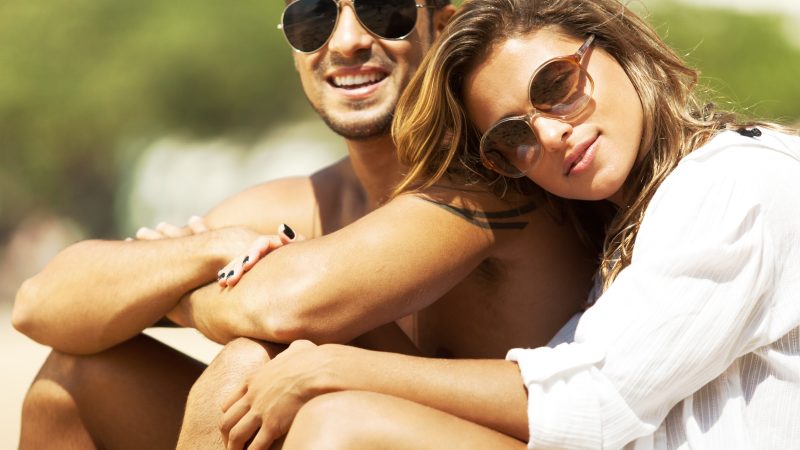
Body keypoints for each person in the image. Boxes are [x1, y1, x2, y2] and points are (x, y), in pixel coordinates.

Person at [209, 0, 800, 448]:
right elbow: (564, 377)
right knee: (257, 356)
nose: (548, 133)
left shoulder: (736, 182)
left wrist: (333, 368)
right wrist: (320, 335)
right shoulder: (636, 220)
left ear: (619, 46)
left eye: (557, 85)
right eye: (510, 136)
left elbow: (595, 401)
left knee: (339, 421)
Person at [12, 1, 601, 449]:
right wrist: (218, 250)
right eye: (313, 17)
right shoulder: (301, 201)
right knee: (73, 382)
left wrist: (176, 292)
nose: (346, 41)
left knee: (261, 364)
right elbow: (41, 305)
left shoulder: (486, 185)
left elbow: (286, 305)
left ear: (440, 24)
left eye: (383, 10)